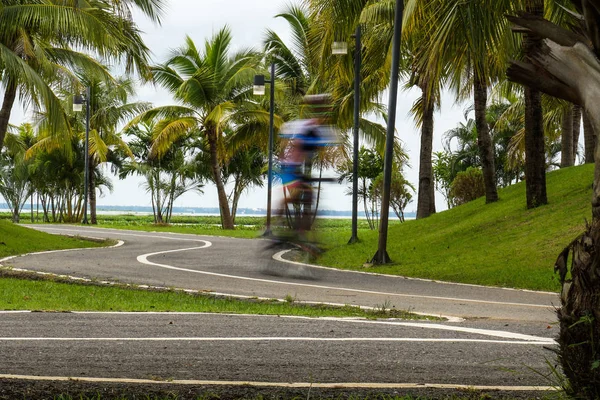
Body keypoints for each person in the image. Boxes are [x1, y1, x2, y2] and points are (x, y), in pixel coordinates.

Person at [272, 94, 336, 248]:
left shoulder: (315, 130)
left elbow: (321, 144)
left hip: (295, 169)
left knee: (309, 196)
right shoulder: (307, 128)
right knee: (298, 195)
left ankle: (304, 235)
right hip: (289, 168)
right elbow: (295, 142)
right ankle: (275, 225)